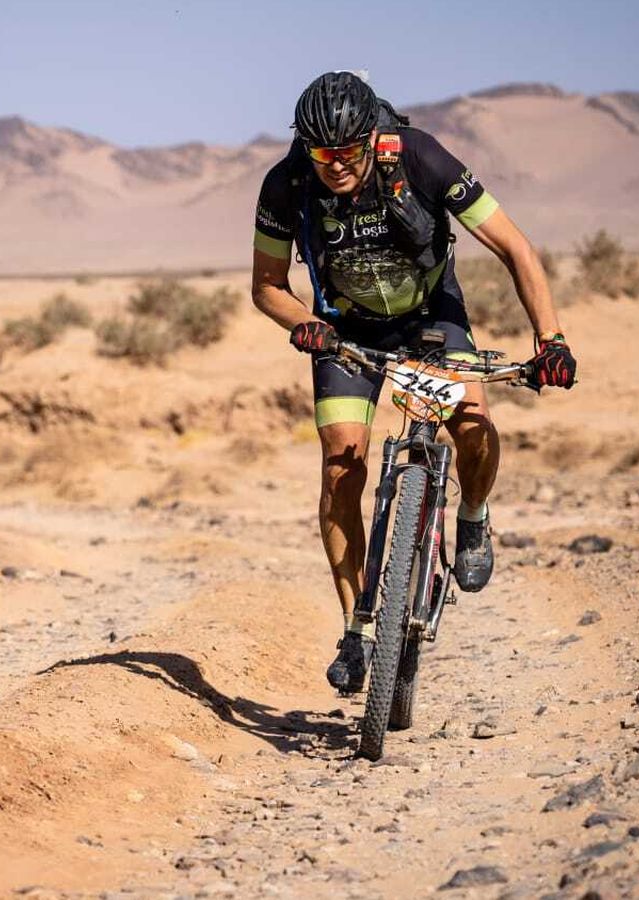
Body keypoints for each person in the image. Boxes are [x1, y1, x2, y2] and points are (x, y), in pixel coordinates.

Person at [250, 71, 577, 693]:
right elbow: (267, 286)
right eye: (323, 153)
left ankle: (474, 513)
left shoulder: (421, 155)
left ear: (374, 137)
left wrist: (550, 340)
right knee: (341, 467)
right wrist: (307, 325)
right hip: (345, 334)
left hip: (432, 324)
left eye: (350, 151)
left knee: (474, 431)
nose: (337, 166)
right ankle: (357, 629)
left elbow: (515, 248)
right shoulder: (285, 183)